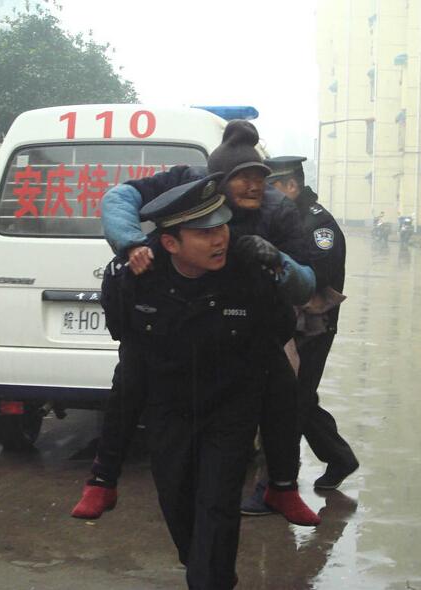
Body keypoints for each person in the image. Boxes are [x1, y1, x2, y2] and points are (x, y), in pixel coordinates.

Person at [71, 120, 320, 526]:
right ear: (217, 179)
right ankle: (102, 479)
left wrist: (277, 260)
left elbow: (306, 283)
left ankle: (282, 486)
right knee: (131, 377)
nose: (254, 186)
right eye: (243, 178)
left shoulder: (278, 211)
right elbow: (119, 196)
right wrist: (131, 242)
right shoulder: (185, 182)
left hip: (244, 315)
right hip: (174, 304)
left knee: (280, 385)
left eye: (260, 177)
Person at [100, 174, 296, 589]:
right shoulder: (140, 276)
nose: (219, 239)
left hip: (229, 409)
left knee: (217, 504)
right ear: (171, 243)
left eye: (222, 226)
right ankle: (208, 571)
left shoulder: (248, 269)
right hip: (169, 411)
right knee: (178, 504)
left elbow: (278, 331)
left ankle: (210, 578)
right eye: (205, 233)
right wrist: (105, 470)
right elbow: (127, 343)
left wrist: (276, 270)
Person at [242, 156, 358, 514]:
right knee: (298, 398)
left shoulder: (318, 225)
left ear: (291, 186)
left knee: (288, 405)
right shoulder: (288, 218)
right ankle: (339, 457)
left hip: (312, 328)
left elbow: (314, 278)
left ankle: (274, 487)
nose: (264, 195)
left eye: (271, 188)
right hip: (287, 326)